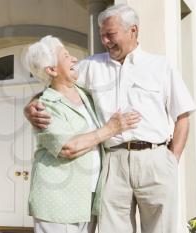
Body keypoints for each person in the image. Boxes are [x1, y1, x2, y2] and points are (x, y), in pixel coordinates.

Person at [24, 4, 196, 233]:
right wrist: (30, 106)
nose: (104, 40)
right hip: (113, 162)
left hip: (155, 159)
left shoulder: (161, 66)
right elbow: (57, 84)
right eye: (102, 35)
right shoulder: (91, 66)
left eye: (110, 34)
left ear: (132, 31)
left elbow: (182, 115)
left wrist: (171, 161)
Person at [22, 35, 141, 233]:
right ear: (51, 70)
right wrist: (111, 129)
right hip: (57, 199)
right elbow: (67, 148)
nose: (74, 59)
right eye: (66, 56)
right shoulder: (45, 105)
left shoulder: (84, 93)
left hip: (88, 197)